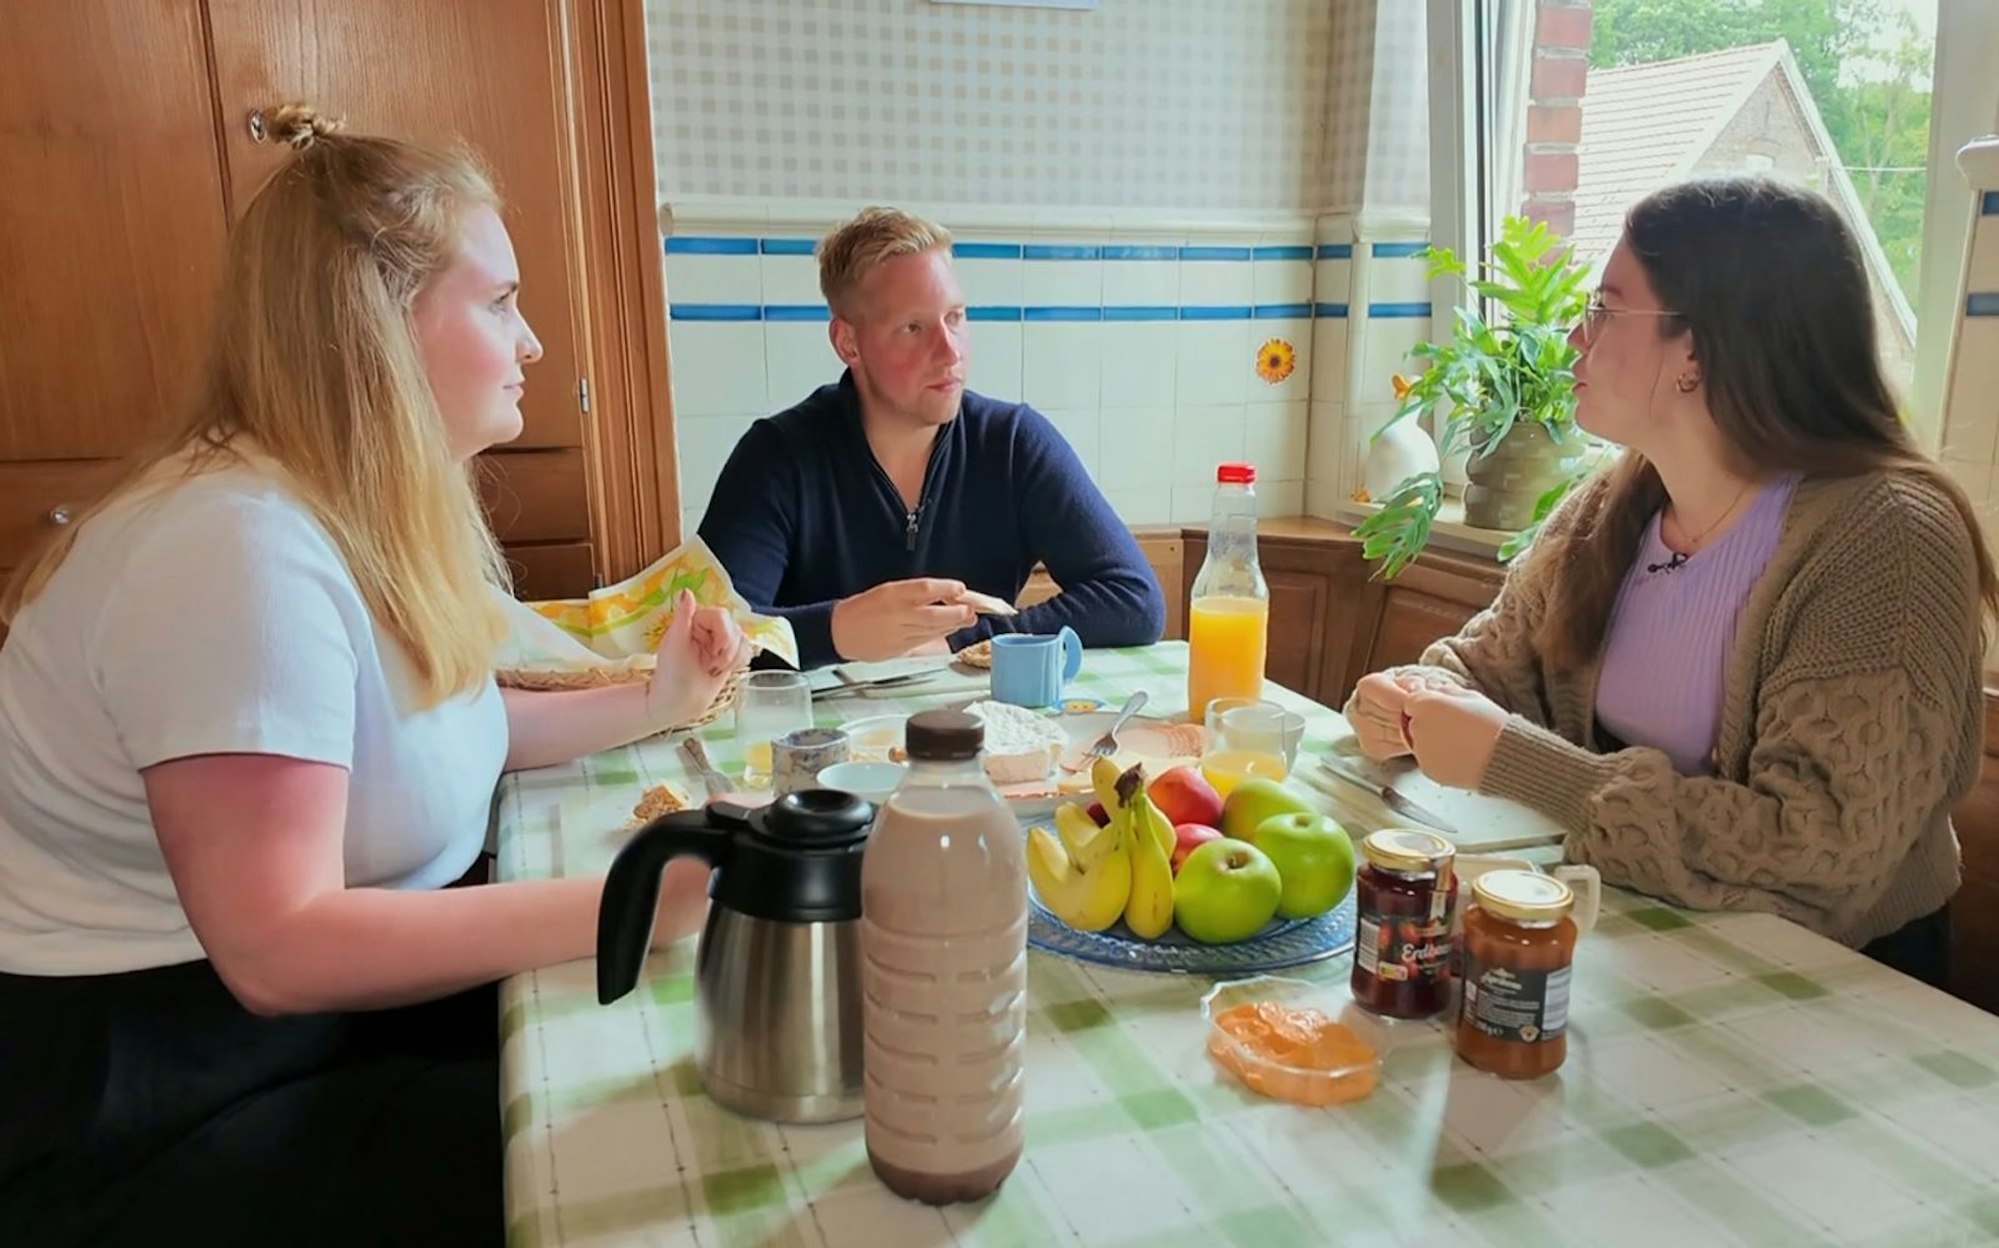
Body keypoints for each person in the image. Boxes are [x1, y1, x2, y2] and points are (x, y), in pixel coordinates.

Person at [0, 106, 743, 1246]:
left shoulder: (339, 509)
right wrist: (635, 900)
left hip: (300, 1029)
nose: (533, 341)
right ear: (378, 326)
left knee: (673, 1055)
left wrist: (651, 706)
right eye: (498, 303)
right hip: (156, 1096)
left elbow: (429, 727)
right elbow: (278, 947)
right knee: (663, 1145)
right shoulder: (230, 547)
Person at [1345, 176, 1994, 988]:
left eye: (1604, 311)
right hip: (1644, 942)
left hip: (1833, 983)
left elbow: (1818, 852)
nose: (1573, 339)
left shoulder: (1887, 540)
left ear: (1697, 348)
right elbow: (1487, 668)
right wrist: (1407, 697)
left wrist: (1521, 764)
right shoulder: (1617, 498)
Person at [696, 206, 1166, 669]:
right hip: (815, 740)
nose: (950, 351)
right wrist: (839, 631)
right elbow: (711, 636)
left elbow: (1135, 602)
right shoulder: (776, 457)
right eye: (912, 328)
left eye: (955, 317)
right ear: (848, 343)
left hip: (984, 730)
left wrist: (966, 638)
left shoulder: (1012, 444)